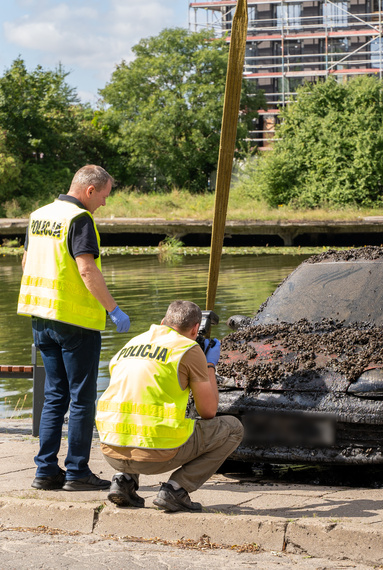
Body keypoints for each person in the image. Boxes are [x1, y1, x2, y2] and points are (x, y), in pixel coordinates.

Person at [17, 164, 131, 492]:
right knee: (82, 398)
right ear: (90, 190)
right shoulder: (79, 220)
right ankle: (77, 472)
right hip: (75, 323)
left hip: (41, 318)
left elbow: (26, 263)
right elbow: (86, 270)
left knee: (55, 395)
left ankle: (45, 471)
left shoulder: (39, 215)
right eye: (105, 196)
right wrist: (113, 309)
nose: (105, 204)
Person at [96, 300, 243, 512]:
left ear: (163, 322)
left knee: (136, 408)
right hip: (156, 456)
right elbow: (208, 411)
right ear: (195, 329)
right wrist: (209, 364)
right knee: (233, 428)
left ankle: (123, 482)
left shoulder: (132, 343)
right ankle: (176, 490)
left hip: (110, 450)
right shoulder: (189, 349)